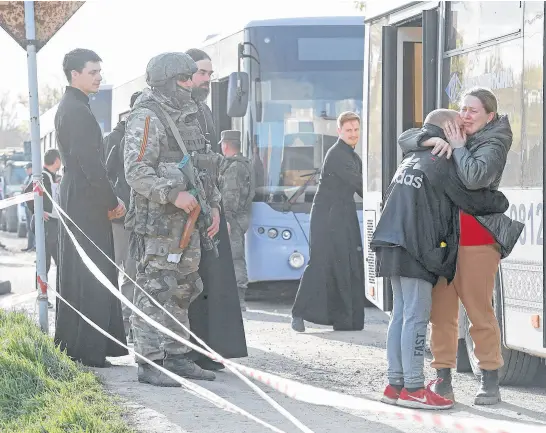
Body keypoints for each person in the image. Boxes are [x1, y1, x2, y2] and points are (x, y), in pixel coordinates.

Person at [372, 108, 522, 410]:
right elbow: (472, 196)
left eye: (473, 110)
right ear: (449, 128)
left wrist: (444, 144)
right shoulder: (438, 156)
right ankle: (414, 385)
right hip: (424, 246)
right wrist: (500, 201)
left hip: (397, 241)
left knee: (404, 313)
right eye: (462, 111)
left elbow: (473, 173)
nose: (466, 117)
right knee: (420, 315)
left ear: (490, 116)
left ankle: (397, 383)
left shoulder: (421, 155)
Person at [124, 52, 222, 386]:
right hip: (160, 222)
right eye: (183, 79)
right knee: (155, 287)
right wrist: (172, 193)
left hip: (190, 220)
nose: (190, 84)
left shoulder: (190, 115)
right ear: (166, 81)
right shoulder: (147, 117)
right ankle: (149, 361)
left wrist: (215, 206)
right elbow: (136, 172)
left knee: (184, 287)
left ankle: (177, 355)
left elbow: (205, 166)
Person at [54, 48, 128, 368]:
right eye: (93, 71)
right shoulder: (78, 110)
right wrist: (112, 202)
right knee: (93, 270)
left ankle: (79, 345)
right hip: (85, 198)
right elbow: (91, 166)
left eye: (100, 71)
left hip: (78, 194)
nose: (99, 77)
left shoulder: (72, 106)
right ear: (75, 74)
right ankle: (90, 350)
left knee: (81, 270)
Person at [185, 48, 248, 371]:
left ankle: (211, 351)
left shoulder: (204, 111)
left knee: (214, 278)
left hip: (210, 205)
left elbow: (213, 164)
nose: (206, 79)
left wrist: (216, 205)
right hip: (189, 209)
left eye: (210, 73)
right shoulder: (179, 111)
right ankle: (193, 352)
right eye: (201, 72)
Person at [291, 111, 364, 333]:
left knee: (345, 264)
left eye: (356, 130)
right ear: (339, 131)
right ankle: (298, 314)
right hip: (327, 216)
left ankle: (345, 320)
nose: (353, 134)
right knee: (320, 264)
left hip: (343, 215)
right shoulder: (338, 154)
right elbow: (360, 184)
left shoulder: (352, 155)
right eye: (349, 130)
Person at [104, 91, 142, 342]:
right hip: (122, 215)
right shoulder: (118, 138)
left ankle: (127, 323)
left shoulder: (138, 134)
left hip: (137, 215)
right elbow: (106, 174)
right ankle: (120, 325)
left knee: (132, 272)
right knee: (124, 270)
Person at [219, 130, 255, 311]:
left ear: (225, 145)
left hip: (232, 218)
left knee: (235, 258)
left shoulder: (233, 168)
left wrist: (226, 218)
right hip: (241, 217)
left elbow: (229, 196)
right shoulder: (245, 164)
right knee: (236, 257)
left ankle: (239, 300)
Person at [21, 163, 35, 252]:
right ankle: (30, 246)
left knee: (33, 226)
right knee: (28, 227)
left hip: (32, 206)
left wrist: (25, 187)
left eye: (28, 168)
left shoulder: (35, 177)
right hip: (26, 205)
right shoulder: (27, 178)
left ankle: (35, 246)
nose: (26, 170)